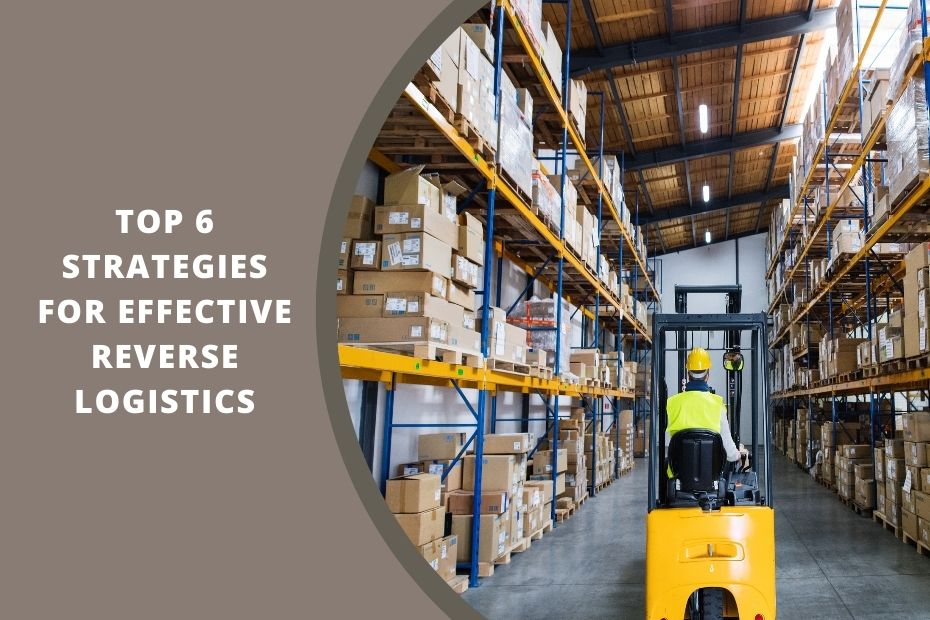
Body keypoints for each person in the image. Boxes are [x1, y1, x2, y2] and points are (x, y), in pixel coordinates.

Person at [665, 347, 749, 477]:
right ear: (707, 375)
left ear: (688, 375)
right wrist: (739, 453)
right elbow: (730, 454)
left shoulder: (672, 403)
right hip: (711, 477)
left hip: (679, 477)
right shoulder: (717, 404)